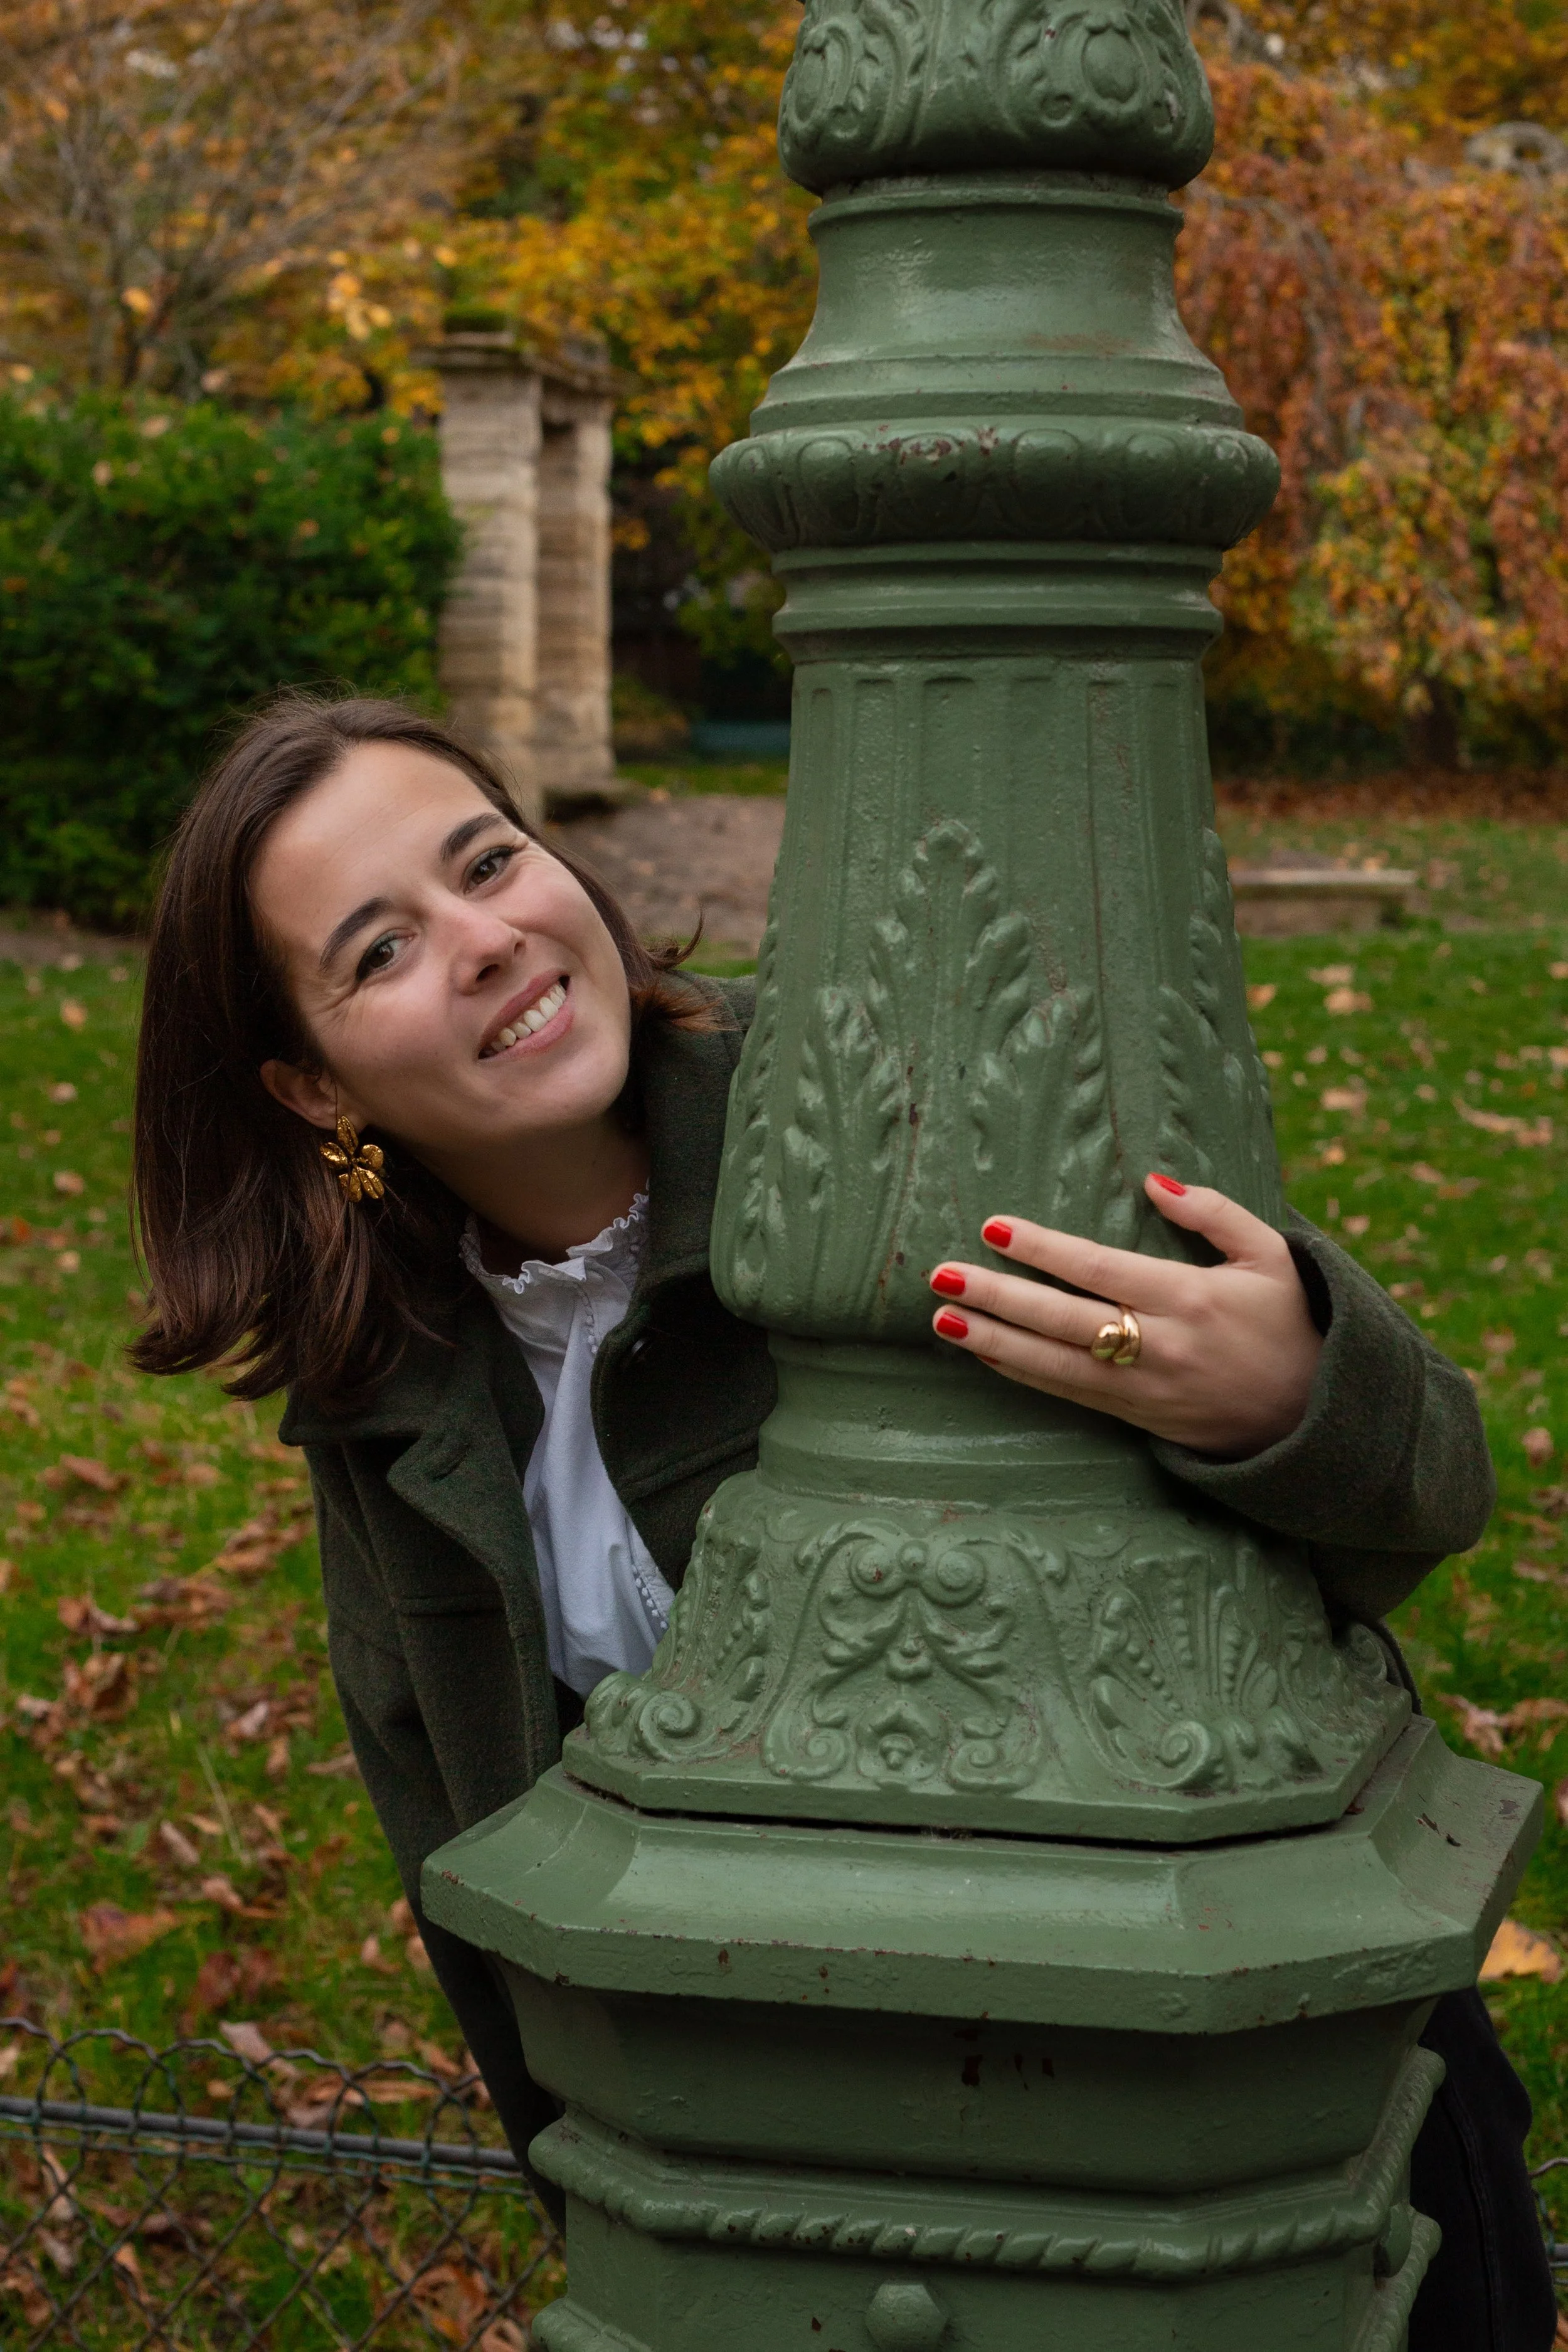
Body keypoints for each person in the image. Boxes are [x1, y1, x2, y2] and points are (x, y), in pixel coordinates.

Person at [131, 693, 1554, 2352]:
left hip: (1236, 2122)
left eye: (488, 861)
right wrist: (619, 2217)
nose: (484, 942)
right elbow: (466, 1863)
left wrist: (1290, 1383)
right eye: (378, 949)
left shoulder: (890, 1099)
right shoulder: (390, 1393)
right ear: (311, 1086)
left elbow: (1427, 1491)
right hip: (809, 2187)